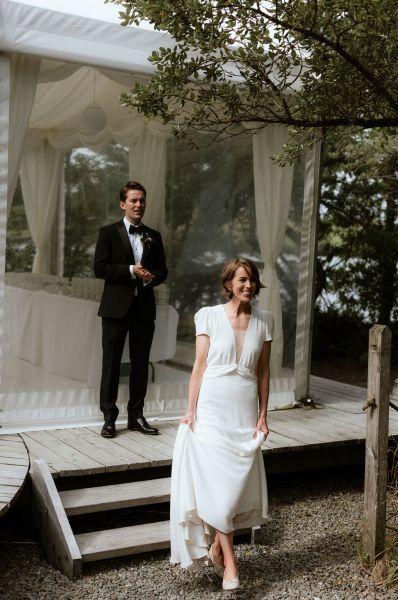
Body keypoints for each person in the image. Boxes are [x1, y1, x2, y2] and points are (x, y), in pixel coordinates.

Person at [170, 257, 273, 591]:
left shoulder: (265, 322)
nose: (247, 285)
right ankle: (231, 563)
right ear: (229, 283)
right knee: (217, 486)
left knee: (233, 488)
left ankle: (216, 546)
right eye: (241, 280)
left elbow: (264, 372)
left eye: (251, 280)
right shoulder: (209, 315)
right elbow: (199, 366)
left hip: (243, 411)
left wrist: (263, 414)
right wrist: (190, 411)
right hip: (212, 407)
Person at [94, 180, 168, 438]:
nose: (139, 204)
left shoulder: (154, 236)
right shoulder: (108, 232)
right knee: (111, 365)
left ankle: (136, 416)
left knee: (140, 365)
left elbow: (163, 271)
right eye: (134, 200)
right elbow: (100, 268)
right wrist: (129, 270)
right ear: (123, 204)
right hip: (115, 310)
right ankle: (109, 419)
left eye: (142, 200)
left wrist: (149, 277)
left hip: (144, 310)